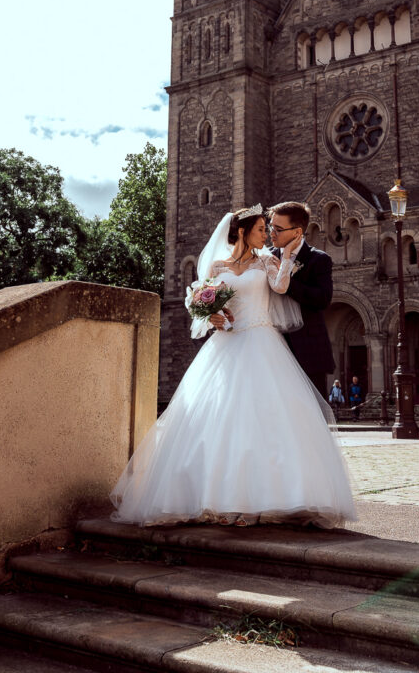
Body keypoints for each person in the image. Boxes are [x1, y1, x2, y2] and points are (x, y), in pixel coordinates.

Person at [110, 205, 356, 529]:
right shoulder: (217, 265)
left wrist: (287, 257)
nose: (266, 235)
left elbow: (281, 289)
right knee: (219, 419)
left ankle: (255, 504)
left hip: (262, 342)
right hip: (226, 343)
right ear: (241, 231)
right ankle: (220, 499)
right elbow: (201, 301)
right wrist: (210, 315)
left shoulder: (268, 259)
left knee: (261, 420)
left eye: (269, 231)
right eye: (259, 229)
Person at [268, 201, 335, 396]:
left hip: (309, 352)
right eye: (271, 226)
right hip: (272, 349)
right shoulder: (266, 258)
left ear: (297, 232)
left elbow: (322, 299)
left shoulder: (318, 259)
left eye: (278, 229)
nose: (271, 233)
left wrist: (286, 282)